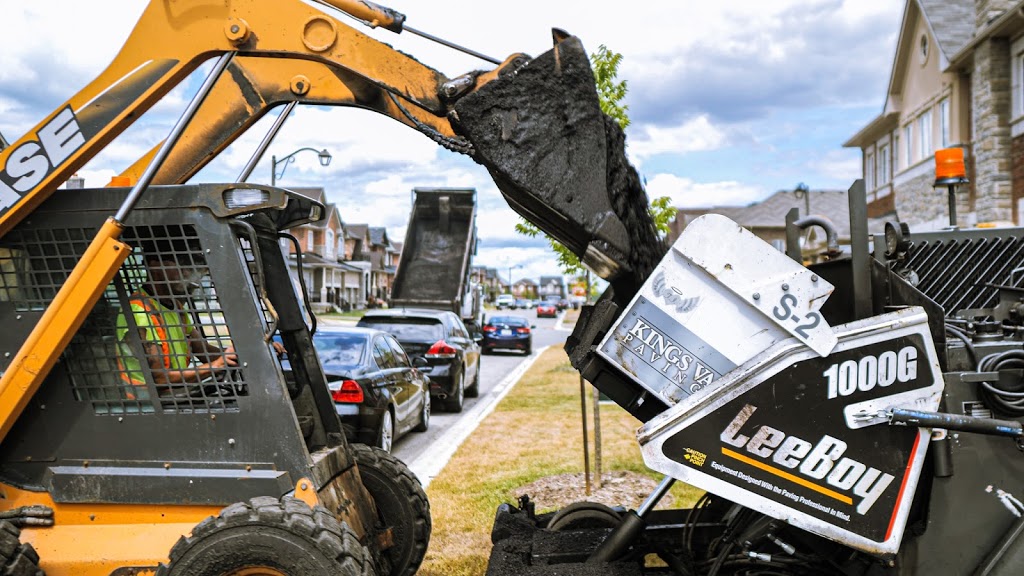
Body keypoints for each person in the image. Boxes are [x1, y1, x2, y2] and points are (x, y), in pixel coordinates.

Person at [115, 238, 237, 399]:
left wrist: (241, 355)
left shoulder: (176, 308)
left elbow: (204, 351)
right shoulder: (139, 312)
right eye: (182, 265)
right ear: (155, 265)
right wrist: (216, 366)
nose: (187, 274)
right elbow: (160, 378)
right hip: (148, 402)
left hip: (176, 396)